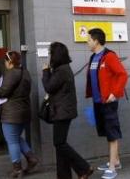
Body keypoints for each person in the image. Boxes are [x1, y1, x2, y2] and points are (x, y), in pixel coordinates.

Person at [42, 42, 94, 179]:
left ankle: (84, 168)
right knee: (60, 145)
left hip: (62, 111)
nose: (49, 56)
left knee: (59, 143)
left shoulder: (62, 71)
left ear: (56, 55)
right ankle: (64, 175)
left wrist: (45, 71)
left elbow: (48, 87)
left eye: (50, 53)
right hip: (62, 110)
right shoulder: (63, 69)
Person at [0, 51, 38, 177]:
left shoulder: (11, 74)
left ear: (10, 61)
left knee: (12, 141)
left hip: (12, 113)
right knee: (15, 137)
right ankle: (31, 159)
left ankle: (17, 169)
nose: (4, 64)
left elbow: (4, 91)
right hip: (24, 111)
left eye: (5, 61)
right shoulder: (25, 72)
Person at [85, 28, 128, 179]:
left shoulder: (109, 56)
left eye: (89, 40)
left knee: (112, 133)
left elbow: (122, 74)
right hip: (98, 102)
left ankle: (112, 168)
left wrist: (114, 93)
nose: (87, 42)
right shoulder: (93, 58)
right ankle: (115, 161)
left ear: (96, 41)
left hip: (108, 101)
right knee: (106, 132)